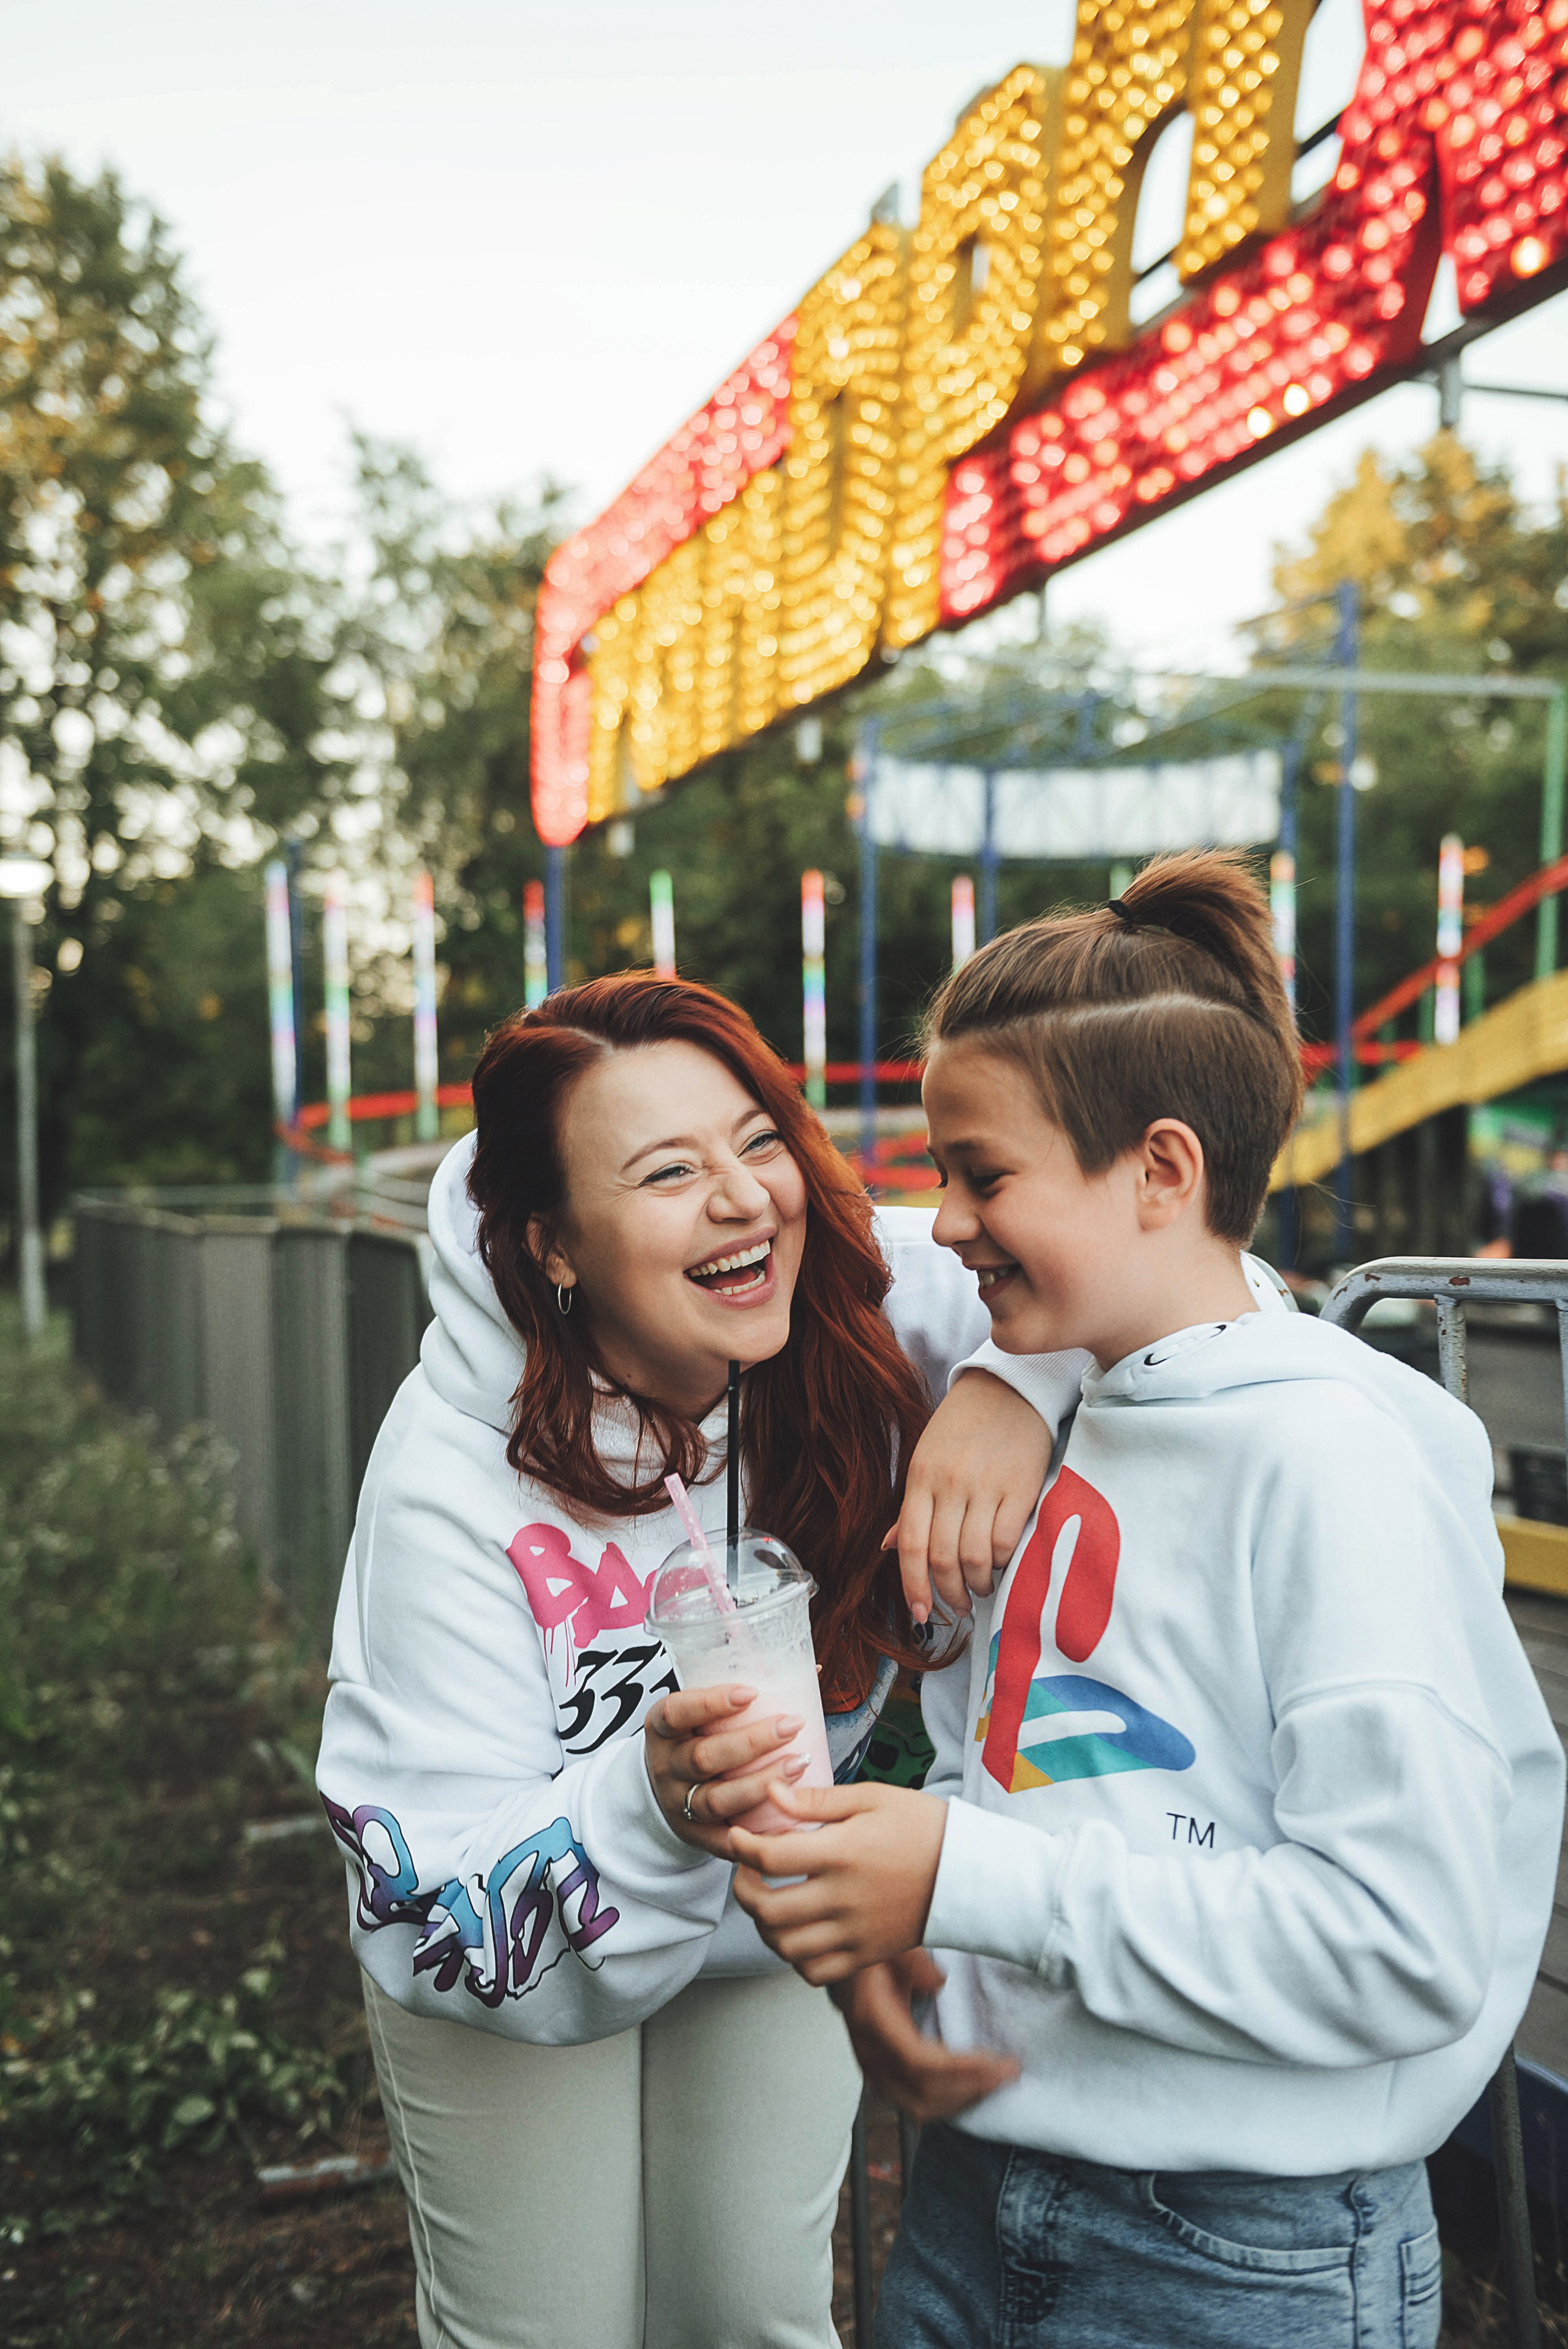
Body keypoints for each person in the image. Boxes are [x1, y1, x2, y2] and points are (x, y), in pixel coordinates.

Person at [728, 852, 1566, 2349]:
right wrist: (918, 1943)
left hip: (1241, 2257)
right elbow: (1071, 1801)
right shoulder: (1072, 1400)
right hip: (982, 2193)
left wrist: (964, 1882)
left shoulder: (1334, 1463)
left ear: (1161, 1170)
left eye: (982, 1175)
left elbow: (1399, 1943)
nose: (950, 1223)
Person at [316, 970, 1087, 2349]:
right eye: (668, 1171)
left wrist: (1012, 1388)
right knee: (549, 2331)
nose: (743, 1199)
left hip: (764, 1927)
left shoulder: (872, 1297)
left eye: (755, 1140)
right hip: (514, 1948)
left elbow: (1197, 1277)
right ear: (552, 1245)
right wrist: (647, 1806)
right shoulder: (449, 1470)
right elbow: (422, 1884)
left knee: (748, 2316)